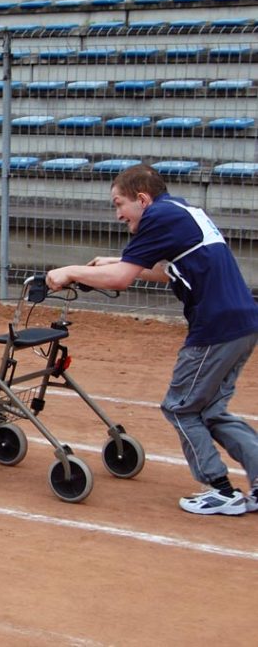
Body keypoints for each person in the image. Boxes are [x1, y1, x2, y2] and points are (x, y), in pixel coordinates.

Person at [46, 163, 258, 516]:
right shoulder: (182, 210)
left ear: (142, 199)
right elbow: (168, 273)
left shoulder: (159, 217)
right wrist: (118, 260)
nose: (118, 215)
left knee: (181, 407)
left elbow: (120, 281)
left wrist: (69, 271)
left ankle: (219, 489)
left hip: (215, 328)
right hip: (241, 323)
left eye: (119, 204)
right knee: (209, 410)